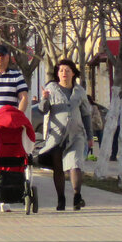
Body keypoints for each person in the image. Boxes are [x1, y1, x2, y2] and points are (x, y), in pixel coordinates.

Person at [38, 59, 93, 211]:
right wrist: (44, 98)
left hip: (76, 135)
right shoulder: (51, 88)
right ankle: (61, 199)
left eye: (67, 70)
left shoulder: (80, 91)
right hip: (57, 136)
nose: (64, 73)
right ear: (57, 73)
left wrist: (90, 136)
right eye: (61, 70)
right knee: (59, 167)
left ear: (73, 73)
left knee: (75, 164)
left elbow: (87, 114)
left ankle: (77, 196)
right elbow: (43, 110)